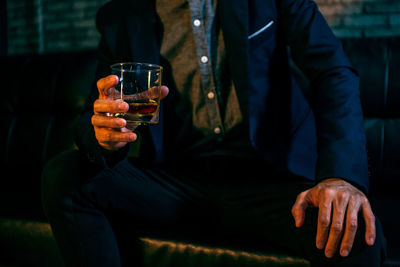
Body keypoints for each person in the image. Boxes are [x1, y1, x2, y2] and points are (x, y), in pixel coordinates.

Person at [41, 0, 387, 266]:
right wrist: (104, 134)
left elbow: (333, 72)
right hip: (175, 181)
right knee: (65, 175)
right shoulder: (121, 13)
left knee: (351, 230)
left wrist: (340, 177)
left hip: (269, 180)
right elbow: (97, 109)